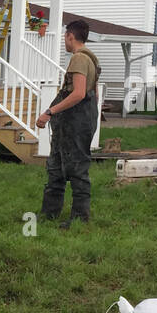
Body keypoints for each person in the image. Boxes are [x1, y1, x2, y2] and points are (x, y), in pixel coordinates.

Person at [36, 19, 100, 228]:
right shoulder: (91, 58)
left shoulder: (79, 59)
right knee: (56, 167)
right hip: (75, 122)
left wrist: (49, 111)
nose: (64, 40)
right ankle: (49, 213)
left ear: (71, 36)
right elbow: (95, 95)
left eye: (65, 36)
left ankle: (80, 217)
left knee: (77, 169)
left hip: (75, 124)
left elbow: (79, 93)